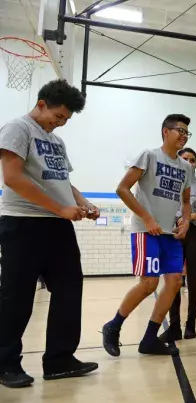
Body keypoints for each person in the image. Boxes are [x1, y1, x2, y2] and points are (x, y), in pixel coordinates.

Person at [0, 79, 99, 388]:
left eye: (66, 120)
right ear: (41, 104)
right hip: (23, 223)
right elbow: (13, 177)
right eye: (57, 117)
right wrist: (60, 208)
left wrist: (83, 202)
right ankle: (5, 363)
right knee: (17, 297)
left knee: (70, 289)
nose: (60, 124)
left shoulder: (55, 141)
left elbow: (61, 181)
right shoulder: (18, 128)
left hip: (57, 226)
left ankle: (59, 360)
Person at [101, 114, 193, 357]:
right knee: (149, 283)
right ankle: (113, 326)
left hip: (170, 234)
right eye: (179, 131)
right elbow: (122, 188)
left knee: (174, 283)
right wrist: (148, 218)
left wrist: (186, 221)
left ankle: (150, 339)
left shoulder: (185, 167)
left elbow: (186, 201)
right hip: (146, 230)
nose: (183, 136)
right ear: (165, 131)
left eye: (186, 133)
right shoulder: (149, 156)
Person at [159, 147, 196, 342]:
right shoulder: (170, 185)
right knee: (173, 281)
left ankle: (190, 323)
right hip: (173, 233)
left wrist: (189, 216)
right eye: (185, 159)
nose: (189, 163)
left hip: (195, 234)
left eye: (193, 160)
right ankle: (174, 324)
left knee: (193, 280)